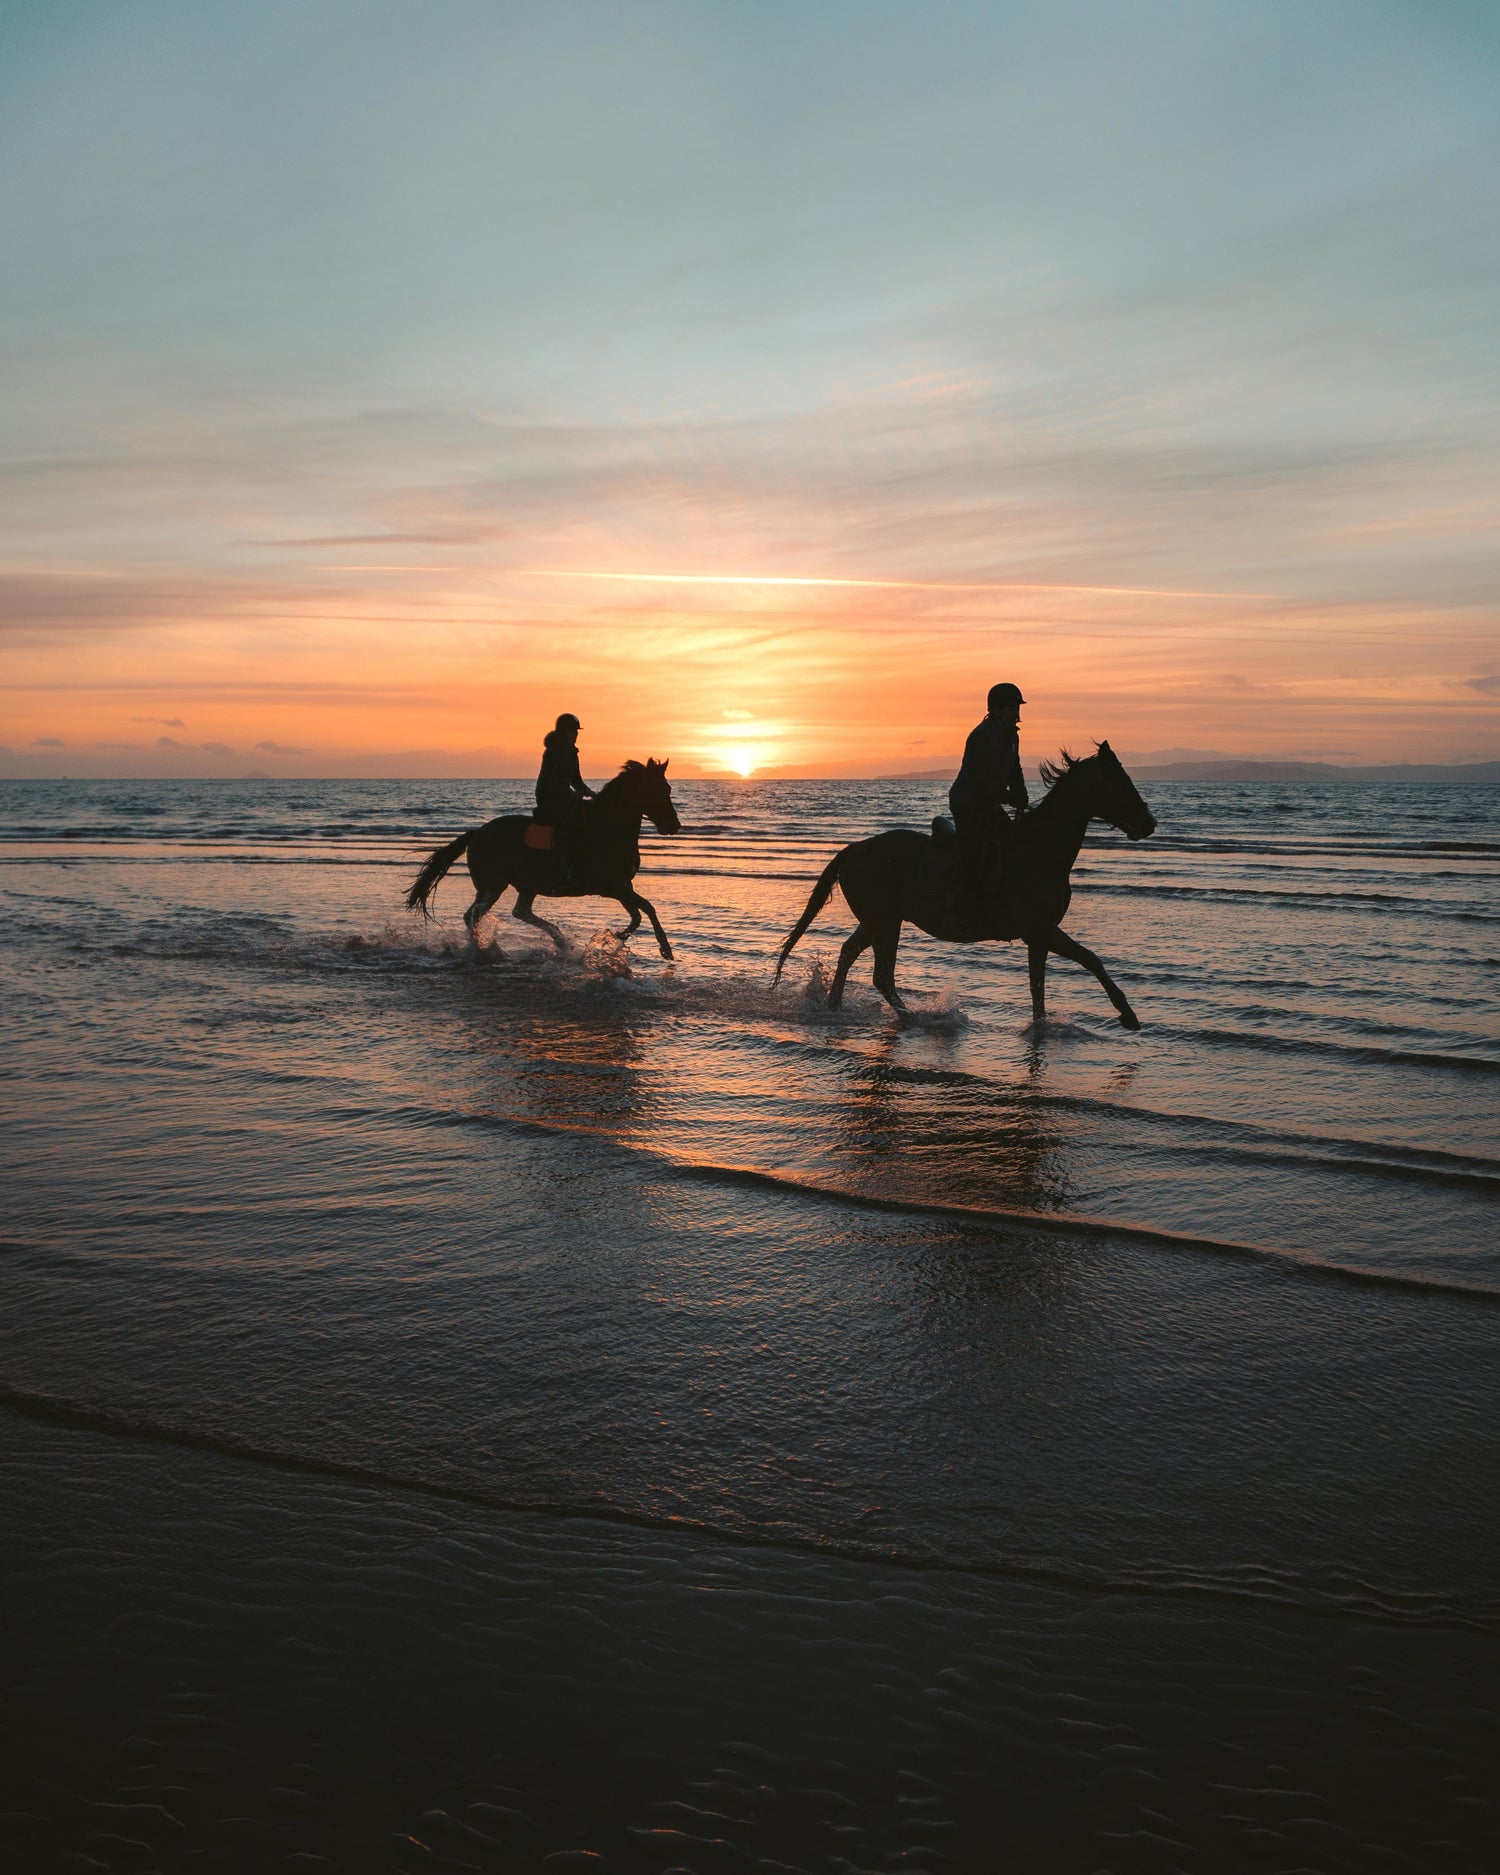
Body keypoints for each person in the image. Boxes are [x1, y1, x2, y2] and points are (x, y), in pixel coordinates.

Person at [948, 682, 1028, 922]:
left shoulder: (1011, 736)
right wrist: (1009, 797)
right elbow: (978, 782)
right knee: (973, 852)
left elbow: (1015, 770)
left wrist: (1021, 794)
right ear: (997, 710)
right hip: (968, 803)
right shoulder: (981, 737)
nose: (1017, 713)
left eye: (1017, 707)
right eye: (1012, 708)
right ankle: (960, 909)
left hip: (989, 802)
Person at [535, 712, 596, 877]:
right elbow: (552, 781)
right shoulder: (555, 751)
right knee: (571, 822)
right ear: (563, 732)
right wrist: (572, 795)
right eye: (572, 731)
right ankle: (562, 864)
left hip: (565, 796)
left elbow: (576, 780)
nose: (576, 734)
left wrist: (591, 793)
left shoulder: (571, 752)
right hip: (549, 796)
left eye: (576, 731)